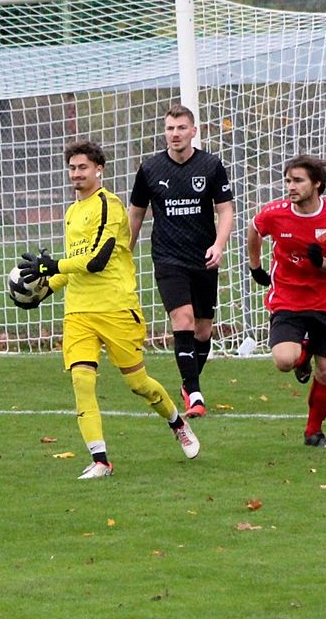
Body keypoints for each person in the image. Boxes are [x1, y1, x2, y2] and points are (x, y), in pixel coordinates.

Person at [15, 139, 200, 480]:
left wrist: (50, 266)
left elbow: (97, 260)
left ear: (99, 169)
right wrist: (43, 291)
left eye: (83, 167)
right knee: (82, 381)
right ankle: (101, 460)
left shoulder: (109, 206)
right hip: (79, 312)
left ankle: (176, 421)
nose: (76, 174)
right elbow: (74, 266)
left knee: (139, 384)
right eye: (72, 168)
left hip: (116, 309)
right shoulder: (72, 212)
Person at [128, 104, 234, 419]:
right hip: (168, 258)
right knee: (183, 321)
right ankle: (195, 393)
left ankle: (189, 384)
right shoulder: (150, 169)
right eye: (170, 128)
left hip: (203, 257)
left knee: (203, 330)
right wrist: (124, 253)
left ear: (193, 131)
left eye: (181, 128)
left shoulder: (211, 166)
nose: (175, 134)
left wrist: (218, 245)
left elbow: (225, 210)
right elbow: (135, 214)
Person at [246, 155, 326, 448]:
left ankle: (313, 432)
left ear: (316, 183)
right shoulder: (276, 213)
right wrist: (255, 267)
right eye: (288, 181)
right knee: (284, 360)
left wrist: (322, 262)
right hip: (288, 298)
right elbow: (254, 228)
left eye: (298, 181)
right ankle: (302, 356)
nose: (290, 187)